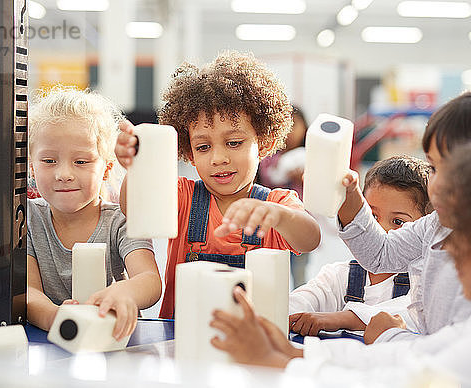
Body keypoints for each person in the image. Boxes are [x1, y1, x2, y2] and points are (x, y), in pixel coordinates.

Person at [210, 131, 471, 387]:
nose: (448, 249)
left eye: (466, 236)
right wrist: (298, 353)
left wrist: (280, 363)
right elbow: (411, 357)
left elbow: (398, 381)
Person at [115, 51, 321, 318]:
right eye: (203, 147)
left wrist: (280, 217)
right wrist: (136, 167)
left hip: (252, 344)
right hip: (180, 339)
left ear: (265, 144)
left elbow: (310, 239)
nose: (219, 159)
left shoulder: (277, 204)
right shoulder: (183, 197)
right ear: (189, 153)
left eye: (234, 143)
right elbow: (134, 207)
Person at [337, 87, 471, 343]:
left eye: (457, 170)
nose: (437, 185)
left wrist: (390, 337)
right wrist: (349, 196)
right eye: (433, 167)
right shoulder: (436, 224)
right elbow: (380, 254)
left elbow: (458, 354)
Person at [26, 86, 162, 340]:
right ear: (32, 167)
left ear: (107, 169)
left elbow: (150, 280)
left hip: (113, 340)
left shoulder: (121, 220)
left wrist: (123, 293)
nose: (64, 174)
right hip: (52, 341)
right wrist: (57, 318)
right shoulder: (29, 218)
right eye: (48, 161)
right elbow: (29, 292)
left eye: (81, 161)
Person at [289, 156, 431, 336]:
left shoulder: (424, 284)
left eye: (397, 221)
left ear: (423, 230)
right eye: (372, 217)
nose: (380, 229)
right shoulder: (342, 276)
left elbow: (410, 314)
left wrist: (340, 319)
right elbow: (307, 298)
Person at [257, 106, 309, 288]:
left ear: (305, 128)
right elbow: (266, 177)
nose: (290, 132)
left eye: (295, 125)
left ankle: (298, 305)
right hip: (272, 225)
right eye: (286, 125)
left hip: (299, 222)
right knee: (273, 268)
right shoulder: (269, 156)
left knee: (299, 269)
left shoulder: (309, 156)